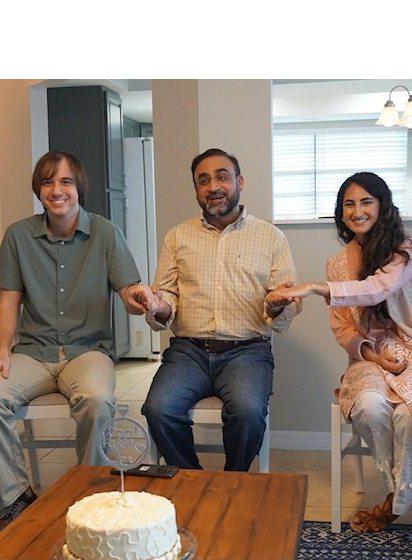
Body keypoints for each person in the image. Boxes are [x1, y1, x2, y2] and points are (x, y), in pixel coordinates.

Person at [0, 151, 147, 544]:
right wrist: (2, 350)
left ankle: (90, 495)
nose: (57, 190)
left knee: (98, 399)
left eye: (65, 182)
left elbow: (128, 288)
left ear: (78, 188)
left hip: (88, 351)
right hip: (33, 352)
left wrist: (140, 296)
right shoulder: (18, 236)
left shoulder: (105, 233)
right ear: (39, 189)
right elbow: (8, 299)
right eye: (48, 182)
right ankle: (17, 497)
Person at [266, 172, 412, 534]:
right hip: (369, 356)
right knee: (368, 408)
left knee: (410, 416)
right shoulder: (337, 264)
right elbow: (343, 329)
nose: (357, 210)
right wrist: (371, 355)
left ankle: (394, 502)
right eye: (348, 204)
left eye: (366, 201)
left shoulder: (407, 250)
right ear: (341, 213)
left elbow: (375, 288)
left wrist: (316, 289)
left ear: (382, 206)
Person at [125, 148, 301, 472]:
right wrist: (156, 304)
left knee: (247, 411)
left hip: (247, 352)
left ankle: (233, 481)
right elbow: (165, 299)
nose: (213, 186)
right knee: (158, 408)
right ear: (196, 190)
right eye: (203, 181)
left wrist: (279, 304)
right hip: (188, 352)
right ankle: (192, 480)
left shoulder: (271, 238)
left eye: (222, 176)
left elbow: (285, 308)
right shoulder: (177, 237)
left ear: (240, 182)